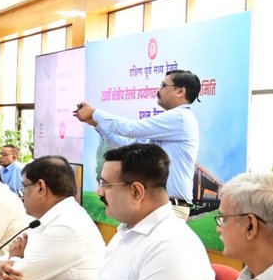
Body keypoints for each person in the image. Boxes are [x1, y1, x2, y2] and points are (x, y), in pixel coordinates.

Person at [77, 143, 215, 280]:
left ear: (136, 191)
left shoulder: (171, 245)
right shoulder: (129, 231)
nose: (99, 192)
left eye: (106, 185)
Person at [74, 69, 201, 205]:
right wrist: (96, 123)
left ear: (180, 91)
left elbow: (130, 128)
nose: (158, 90)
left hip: (172, 206)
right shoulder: (172, 122)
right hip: (161, 204)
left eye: (163, 86)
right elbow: (129, 144)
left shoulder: (181, 118)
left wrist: (94, 113)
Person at [0, 156, 104, 280]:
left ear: (41, 187)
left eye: (24, 187)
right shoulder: (52, 218)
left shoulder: (67, 227)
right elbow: (1, 263)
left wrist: (12, 259)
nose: (22, 195)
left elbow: (16, 279)